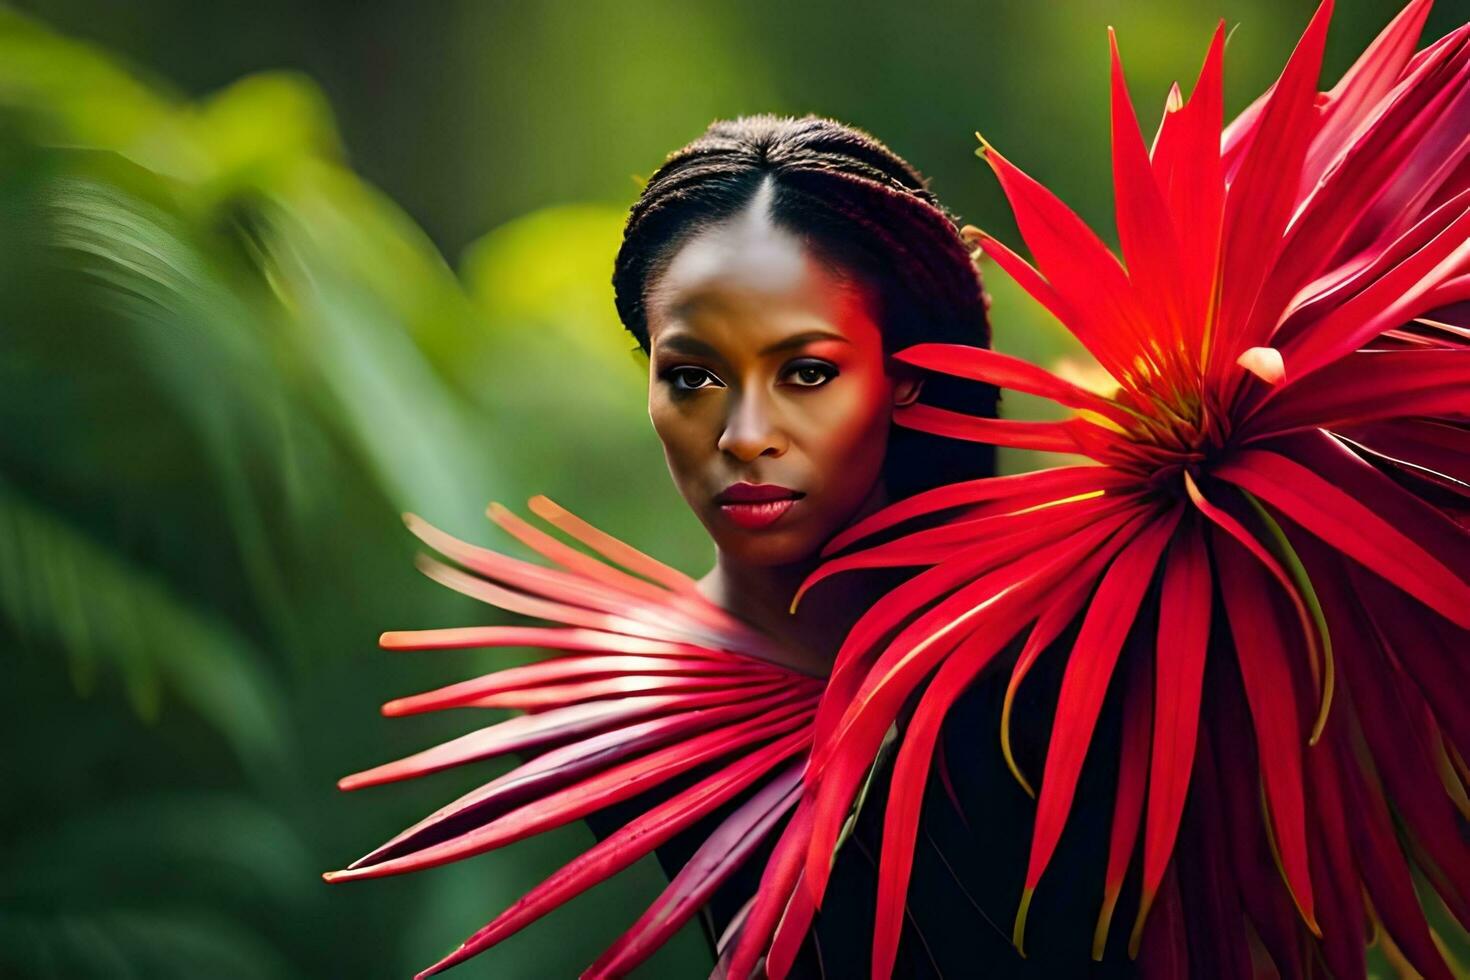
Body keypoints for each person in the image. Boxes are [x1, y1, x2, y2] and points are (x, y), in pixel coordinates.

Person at [326, 112, 1131, 978]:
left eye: (808, 372)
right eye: (693, 377)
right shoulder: (615, 713)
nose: (745, 436)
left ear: (906, 377)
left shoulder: (1094, 627)